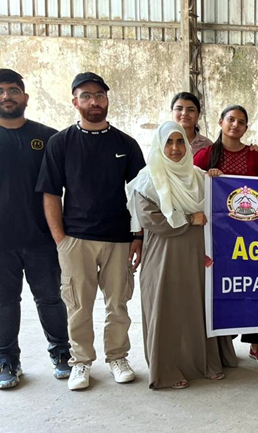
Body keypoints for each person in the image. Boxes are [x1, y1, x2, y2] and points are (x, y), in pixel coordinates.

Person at [36, 72, 146, 391]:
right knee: (78, 306)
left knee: (118, 305)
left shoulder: (126, 144)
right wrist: (61, 240)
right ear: (75, 102)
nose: (94, 101)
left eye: (99, 95)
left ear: (107, 100)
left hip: (119, 239)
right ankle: (81, 362)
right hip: (76, 240)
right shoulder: (61, 143)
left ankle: (117, 357)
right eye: (86, 96)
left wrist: (138, 236)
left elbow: (139, 194)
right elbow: (51, 193)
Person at [128, 121, 237, 389]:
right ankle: (168, 369)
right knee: (169, 308)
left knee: (198, 306)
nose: (175, 148)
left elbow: (221, 205)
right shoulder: (148, 179)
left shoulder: (198, 176)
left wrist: (217, 180)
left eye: (180, 142)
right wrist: (190, 219)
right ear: (159, 145)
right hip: (164, 256)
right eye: (169, 142)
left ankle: (207, 363)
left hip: (198, 254)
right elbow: (151, 219)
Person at [0, 69, 70, 389]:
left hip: (42, 238)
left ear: (25, 97)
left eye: (13, 90)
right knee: (5, 302)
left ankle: (62, 352)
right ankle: (7, 359)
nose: (7, 96)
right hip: (2, 243)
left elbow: (69, 186)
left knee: (51, 299)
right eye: (1, 91)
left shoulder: (48, 137)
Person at [193, 105, 258, 364]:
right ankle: (221, 348)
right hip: (216, 235)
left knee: (254, 286)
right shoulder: (206, 154)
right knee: (220, 287)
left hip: (250, 233)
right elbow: (191, 183)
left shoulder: (254, 155)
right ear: (220, 122)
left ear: (246, 127)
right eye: (231, 120)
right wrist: (208, 176)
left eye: (241, 122)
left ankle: (256, 345)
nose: (235, 125)